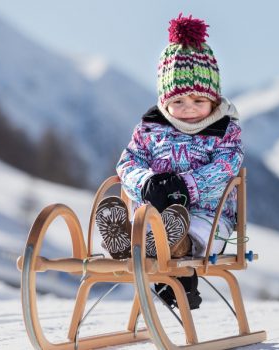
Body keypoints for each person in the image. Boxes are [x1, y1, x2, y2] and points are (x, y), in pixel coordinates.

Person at [97, 14, 243, 310]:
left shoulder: (224, 131)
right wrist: (146, 182)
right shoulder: (150, 129)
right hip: (153, 212)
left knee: (190, 232)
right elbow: (128, 162)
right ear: (165, 102)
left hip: (208, 214)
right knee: (151, 227)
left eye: (198, 101)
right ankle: (125, 240)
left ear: (213, 101)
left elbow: (228, 166)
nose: (188, 109)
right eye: (178, 102)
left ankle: (175, 244)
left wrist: (186, 186)